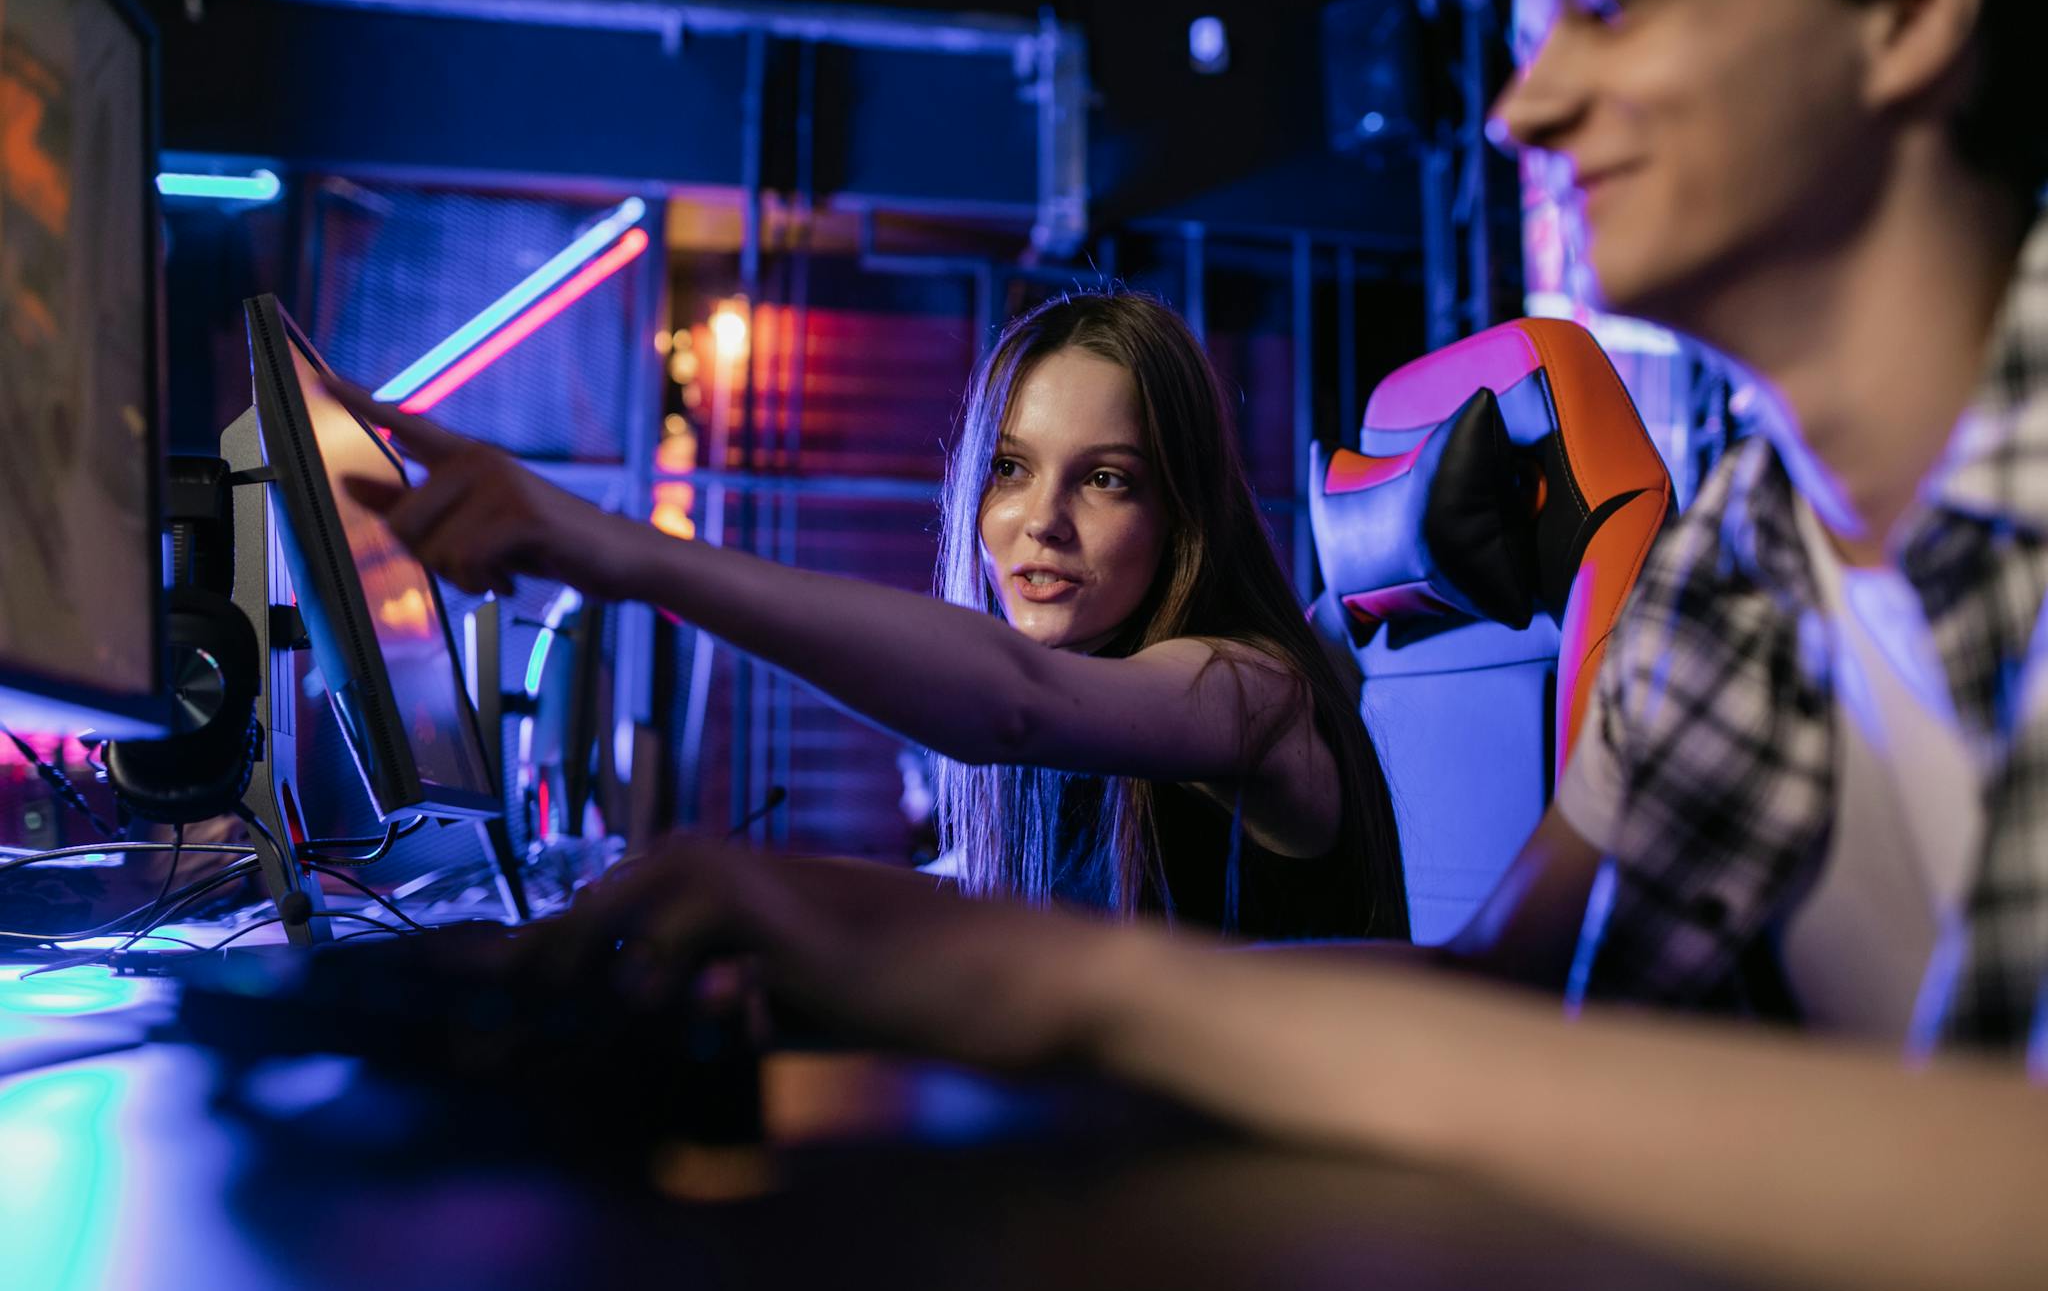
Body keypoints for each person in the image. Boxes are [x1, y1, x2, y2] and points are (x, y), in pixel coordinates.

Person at [508, 0, 2048, 1291]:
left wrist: (1078, 995)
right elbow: (1515, 986)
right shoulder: (1737, 556)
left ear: (1910, 7)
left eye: (1613, 0)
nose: (1516, 112)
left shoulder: (1246, 683)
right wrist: (903, 950)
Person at [340, 291, 1408, 941]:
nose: (1041, 522)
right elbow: (985, 901)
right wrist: (728, 886)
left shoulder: (1249, 690)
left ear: (1182, 512)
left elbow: (1016, 705)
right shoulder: (1102, 705)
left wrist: (621, 552)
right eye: (1009, 470)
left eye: (1108, 480)